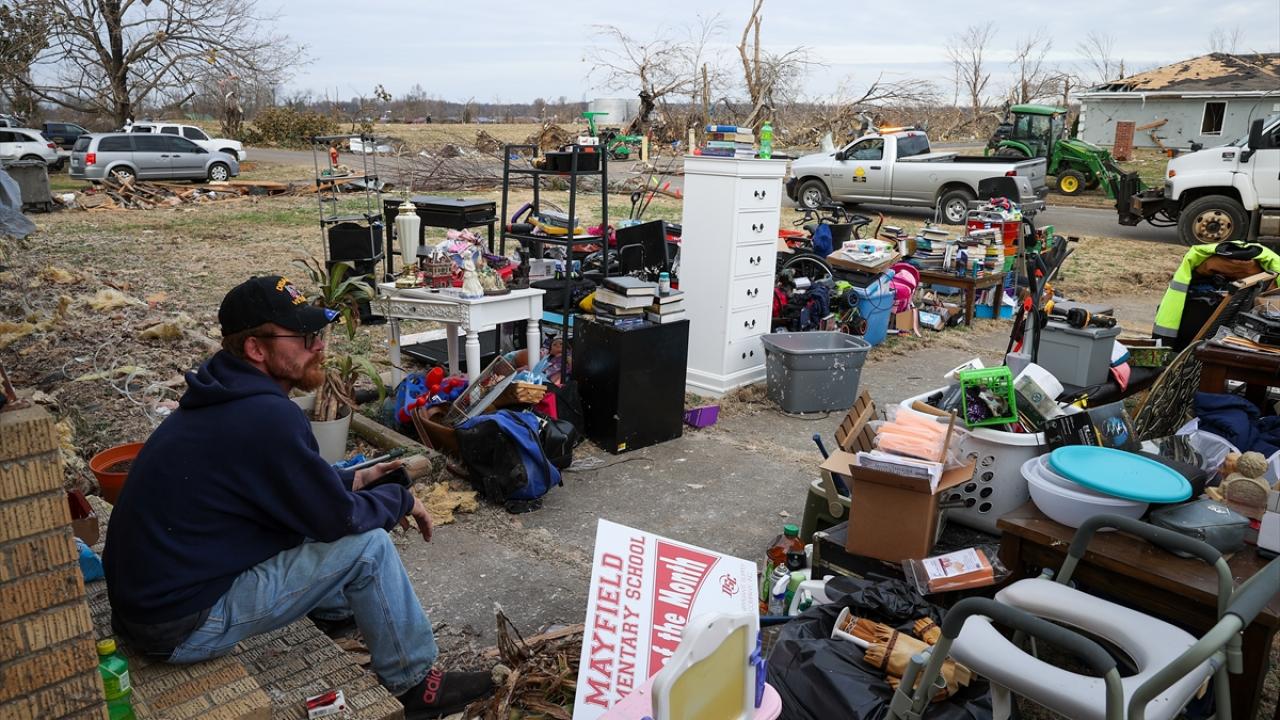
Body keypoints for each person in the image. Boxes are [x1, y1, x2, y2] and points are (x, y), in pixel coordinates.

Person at [102, 275, 492, 718]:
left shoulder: (224, 394)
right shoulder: (266, 416)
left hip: (149, 607)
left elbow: (290, 488)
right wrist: (399, 500)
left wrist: (358, 479)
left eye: (318, 332)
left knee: (319, 511)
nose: (319, 345)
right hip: (180, 626)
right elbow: (336, 520)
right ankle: (416, 685)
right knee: (368, 547)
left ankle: (333, 609)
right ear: (256, 348)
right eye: (305, 337)